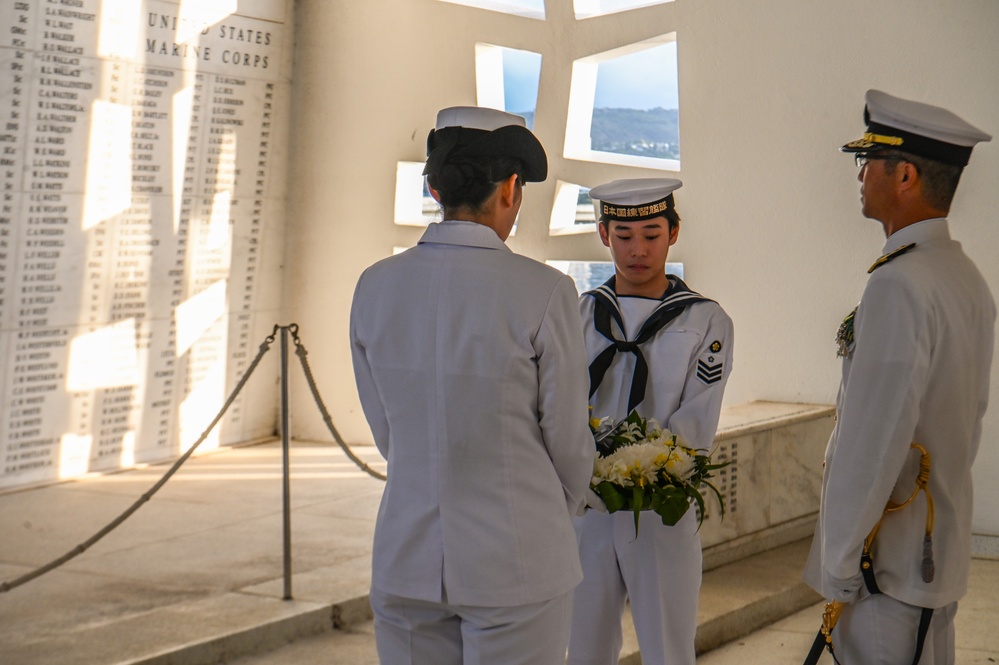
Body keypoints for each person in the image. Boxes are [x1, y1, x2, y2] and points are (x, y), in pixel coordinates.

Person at [349, 106, 594, 665]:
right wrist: (550, 511)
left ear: (436, 187)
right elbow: (568, 441)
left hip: (406, 558)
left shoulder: (375, 286)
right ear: (510, 189)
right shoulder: (545, 291)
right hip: (517, 560)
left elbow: (387, 432)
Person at [804, 89, 995, 664]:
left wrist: (838, 561)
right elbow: (970, 422)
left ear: (905, 174)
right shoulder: (962, 275)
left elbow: (873, 440)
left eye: (869, 162)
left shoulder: (898, 284)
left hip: (885, 565)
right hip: (932, 552)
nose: (860, 175)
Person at [567, 178, 734, 665]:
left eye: (652, 234)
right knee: (584, 646)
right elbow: (561, 404)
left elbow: (697, 416)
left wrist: (643, 471)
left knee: (668, 646)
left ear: (674, 232)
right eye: (622, 236)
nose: (637, 250)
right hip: (589, 508)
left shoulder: (705, 320)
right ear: (602, 234)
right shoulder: (581, 313)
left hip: (662, 504)